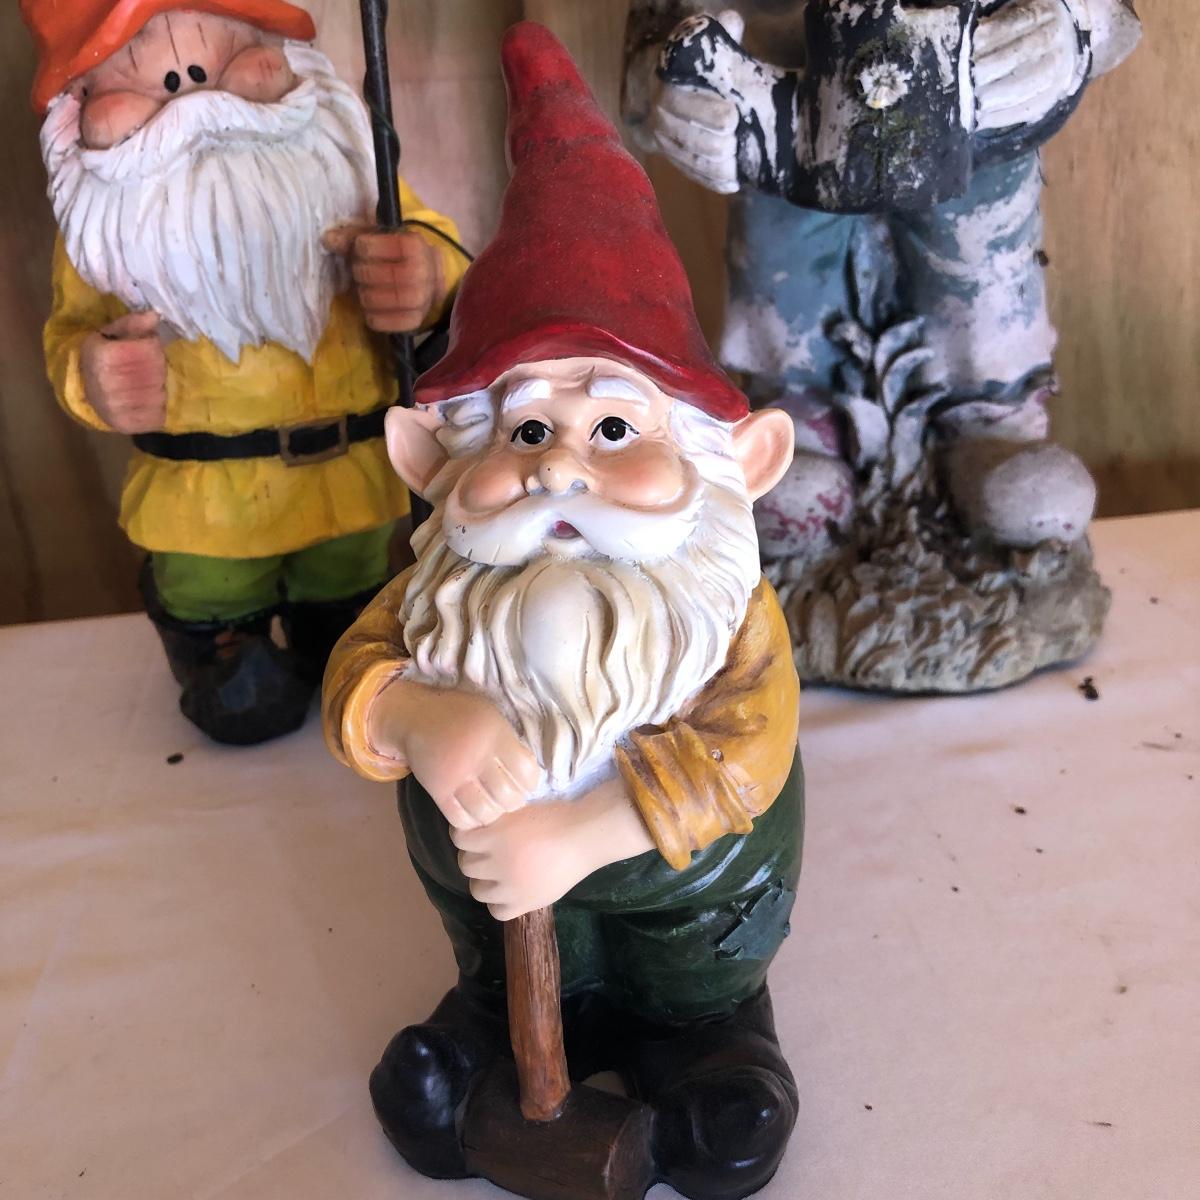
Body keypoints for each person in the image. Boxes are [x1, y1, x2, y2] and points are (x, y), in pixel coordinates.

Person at [324, 24, 803, 1199]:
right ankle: (483, 1043)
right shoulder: (440, 590)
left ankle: (710, 1052)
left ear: (738, 462)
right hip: (499, 918)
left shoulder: (725, 611)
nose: (558, 468)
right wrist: (419, 716)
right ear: (432, 463)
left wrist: (579, 837)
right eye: (526, 427)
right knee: (495, 964)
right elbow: (357, 679)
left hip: (688, 904)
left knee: (695, 983)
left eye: (616, 427)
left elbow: (747, 751)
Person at [22, 0, 469, 742]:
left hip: (350, 487)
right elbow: (71, 335)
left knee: (352, 619)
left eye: (221, 61)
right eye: (151, 82)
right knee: (224, 646)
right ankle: (226, 657)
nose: (195, 101)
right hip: (204, 505)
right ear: (78, 110)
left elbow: (440, 252)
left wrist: (425, 275)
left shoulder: (349, 169)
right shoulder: (103, 229)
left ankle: (341, 654)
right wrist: (94, 373)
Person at [624, 0, 1142, 558]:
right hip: (777, 113)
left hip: (985, 107)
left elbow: (1110, 17)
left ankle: (989, 416)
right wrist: (667, 89)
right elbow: (657, 35)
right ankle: (804, 416)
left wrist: (1075, 25)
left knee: (978, 250)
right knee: (791, 259)